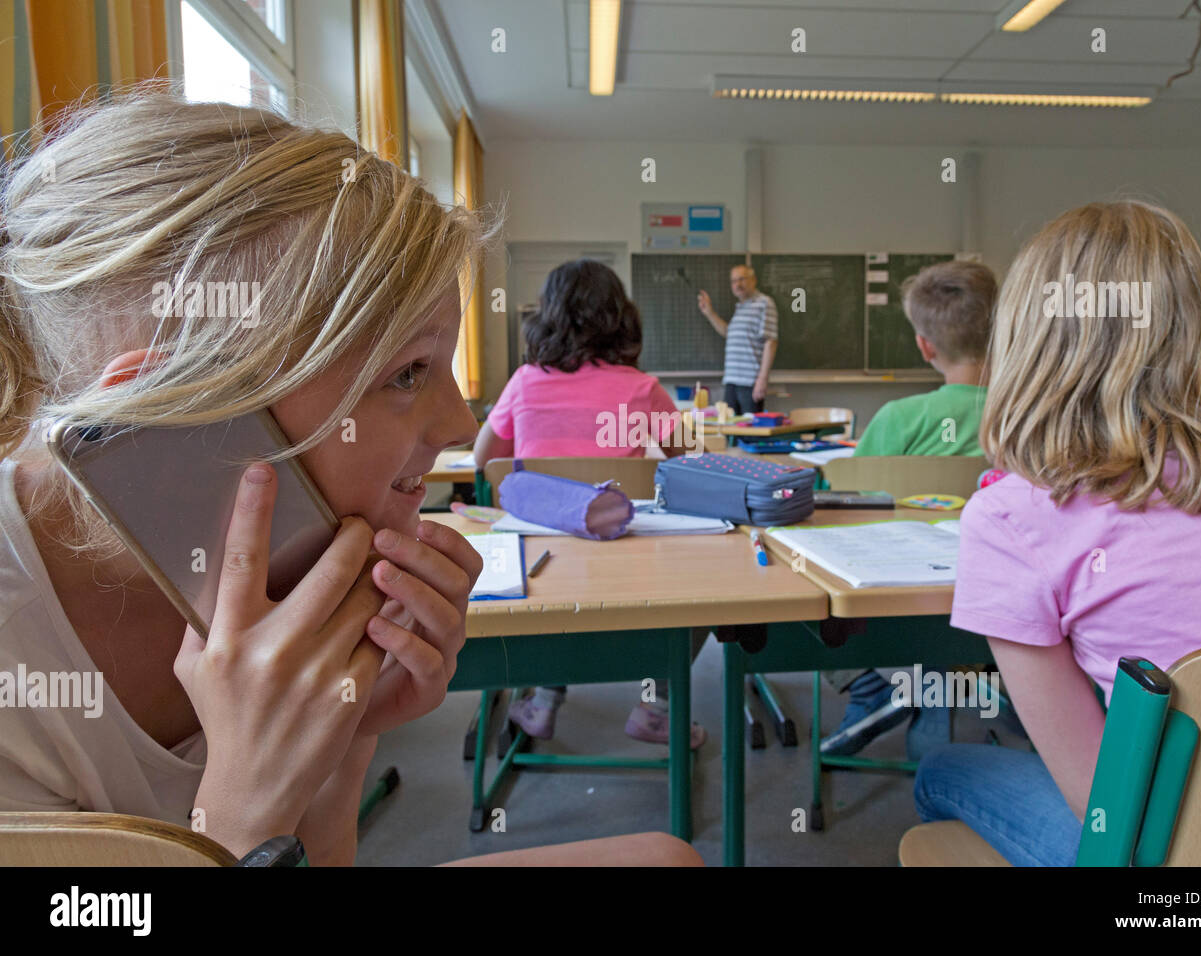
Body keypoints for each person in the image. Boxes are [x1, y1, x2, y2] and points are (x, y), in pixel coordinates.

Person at [0, 91, 699, 867]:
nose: (458, 428)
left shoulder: (285, 568)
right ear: (172, 417)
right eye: (407, 374)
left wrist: (344, 736)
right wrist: (239, 819)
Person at [913, 200, 1201, 865]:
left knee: (942, 770)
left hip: (1171, 868)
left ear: (1028, 339)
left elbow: (1102, 809)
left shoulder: (1011, 520)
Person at [473, 259, 707, 748]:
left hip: (535, 573)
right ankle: (656, 707)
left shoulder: (523, 381)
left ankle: (543, 700)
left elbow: (484, 461)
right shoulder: (642, 389)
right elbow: (695, 464)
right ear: (620, 317)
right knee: (704, 590)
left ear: (547, 316)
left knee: (561, 558)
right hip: (624, 571)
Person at [822, 260, 998, 758]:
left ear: (925, 345)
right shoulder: (1029, 415)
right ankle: (947, 690)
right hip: (995, 614)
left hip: (890, 608)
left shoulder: (898, 418)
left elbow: (848, 506)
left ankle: (872, 681)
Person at [695, 265, 778, 414]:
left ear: (753, 280)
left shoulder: (764, 303)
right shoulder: (740, 307)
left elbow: (770, 341)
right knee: (731, 430)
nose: (737, 285)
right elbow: (728, 333)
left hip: (750, 382)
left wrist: (762, 379)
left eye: (742, 279)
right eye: (733, 281)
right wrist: (709, 312)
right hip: (731, 380)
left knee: (749, 433)